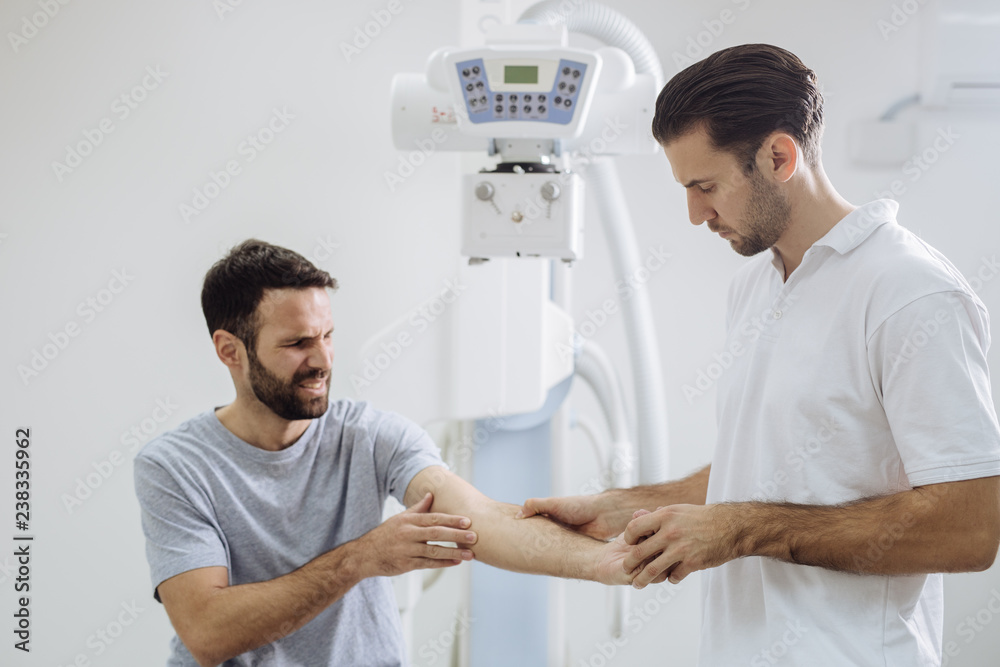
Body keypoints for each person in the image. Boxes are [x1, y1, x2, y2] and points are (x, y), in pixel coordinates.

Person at [519, 43, 1000, 666]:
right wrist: (622, 507)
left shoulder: (910, 293)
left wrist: (742, 529)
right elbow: (768, 468)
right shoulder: (756, 286)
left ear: (779, 157)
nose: (695, 215)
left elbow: (971, 526)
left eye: (706, 186)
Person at [133, 239, 632, 667]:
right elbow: (207, 632)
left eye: (328, 336)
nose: (323, 360)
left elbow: (480, 519)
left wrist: (604, 562)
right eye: (297, 343)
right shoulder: (175, 466)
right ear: (230, 351)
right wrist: (361, 559)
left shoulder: (370, 434)